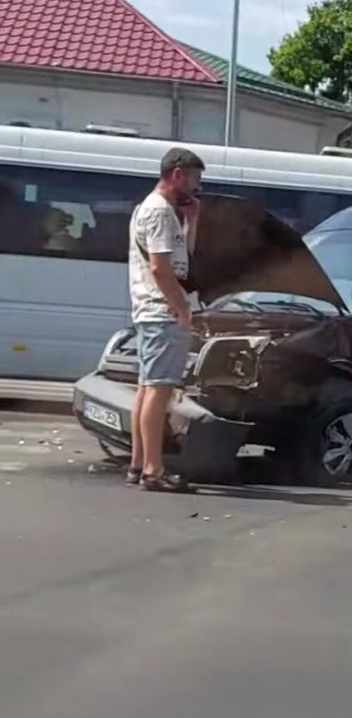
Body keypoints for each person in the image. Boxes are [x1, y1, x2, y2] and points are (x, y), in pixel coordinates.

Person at [126, 147, 204, 492]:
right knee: (158, 392)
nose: (196, 186)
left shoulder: (160, 212)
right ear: (177, 174)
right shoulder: (158, 212)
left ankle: (138, 463)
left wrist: (192, 221)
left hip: (153, 311)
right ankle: (153, 471)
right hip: (161, 312)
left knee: (147, 389)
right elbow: (160, 268)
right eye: (195, 179)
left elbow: (180, 260)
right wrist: (182, 307)